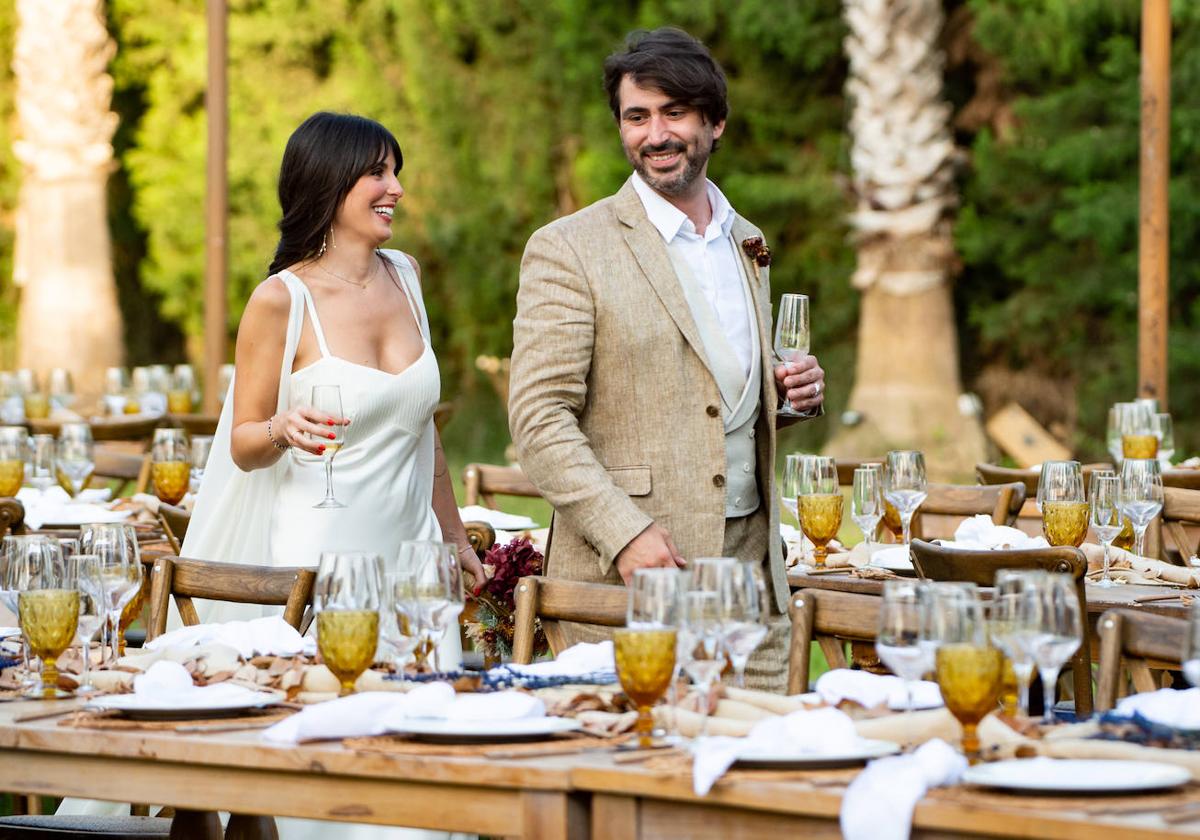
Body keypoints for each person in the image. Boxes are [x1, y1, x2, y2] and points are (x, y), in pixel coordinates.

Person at [508, 28, 826, 693]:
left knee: (756, 781)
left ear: (715, 122)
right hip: (628, 586)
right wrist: (625, 535)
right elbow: (539, 419)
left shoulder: (748, 240)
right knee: (633, 782)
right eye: (637, 116)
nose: (656, 134)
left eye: (674, 112)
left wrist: (785, 395)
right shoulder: (569, 247)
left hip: (751, 590)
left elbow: (709, 399)